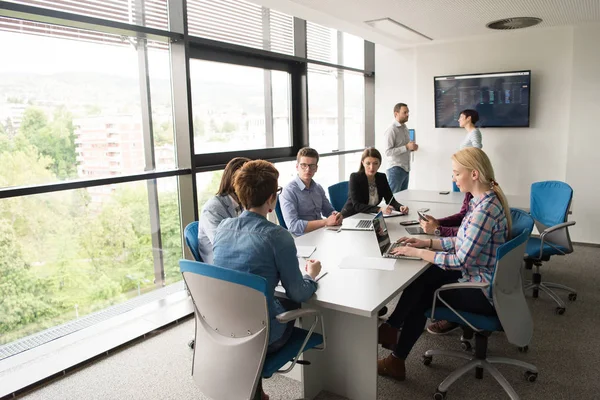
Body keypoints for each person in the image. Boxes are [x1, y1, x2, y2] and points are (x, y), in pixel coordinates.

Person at [376, 147, 512, 382]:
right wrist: (427, 242)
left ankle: (395, 351)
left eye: (456, 173)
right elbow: (462, 241)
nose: (453, 178)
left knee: (421, 297)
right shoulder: (483, 202)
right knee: (424, 278)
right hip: (479, 276)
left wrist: (418, 251)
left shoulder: (484, 211)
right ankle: (393, 334)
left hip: (482, 290)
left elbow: (460, 259)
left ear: (474, 174)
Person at [212, 160, 322, 400]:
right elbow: (298, 292)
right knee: (293, 302)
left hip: (224, 326)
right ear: (272, 199)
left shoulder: (222, 227)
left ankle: (255, 391)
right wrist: (310, 276)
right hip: (263, 335)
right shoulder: (278, 236)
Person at [197, 157, 250, 264]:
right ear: (235, 181)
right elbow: (224, 247)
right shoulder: (212, 210)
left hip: (239, 262)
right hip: (221, 269)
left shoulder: (243, 204)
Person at [280, 147, 343, 236]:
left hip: (321, 233)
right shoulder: (289, 191)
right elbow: (293, 226)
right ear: (297, 167)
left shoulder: (318, 188)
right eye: (303, 165)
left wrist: (336, 215)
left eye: (311, 166)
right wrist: (325, 222)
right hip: (302, 238)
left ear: (316, 168)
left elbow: (329, 210)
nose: (308, 169)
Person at [341, 147, 409, 218]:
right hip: (352, 216)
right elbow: (357, 205)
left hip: (370, 216)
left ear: (379, 164)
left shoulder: (381, 177)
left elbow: (390, 199)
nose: (372, 167)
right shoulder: (355, 177)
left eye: (375, 163)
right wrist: (379, 209)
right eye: (368, 163)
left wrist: (400, 207)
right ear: (363, 163)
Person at [384, 103, 419, 193]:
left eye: (408, 112)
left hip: (405, 168)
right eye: (405, 112)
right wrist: (406, 147)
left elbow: (405, 147)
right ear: (396, 114)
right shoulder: (391, 129)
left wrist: (411, 147)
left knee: (403, 198)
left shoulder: (405, 128)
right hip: (395, 169)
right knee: (393, 199)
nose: (407, 114)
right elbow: (388, 152)